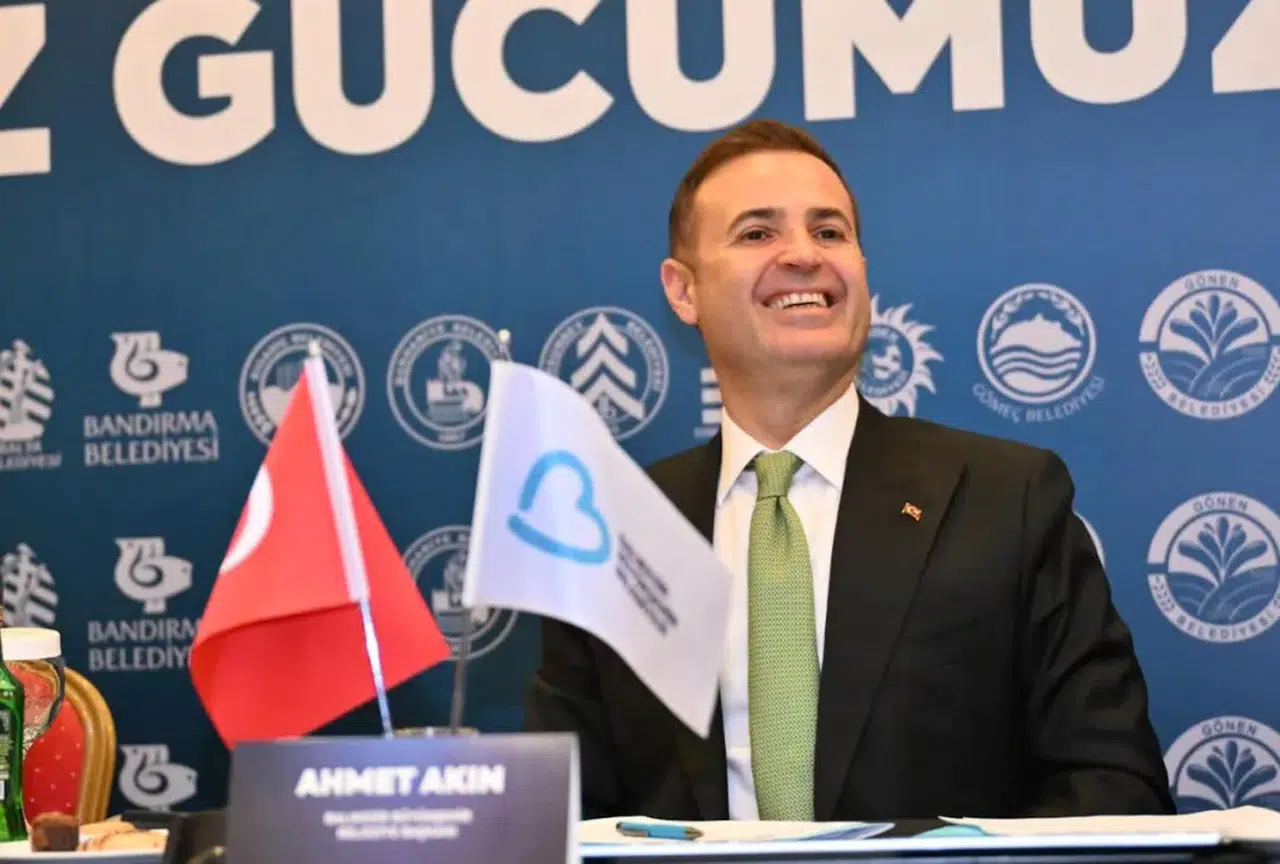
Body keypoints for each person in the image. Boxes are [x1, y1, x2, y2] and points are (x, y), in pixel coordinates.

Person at [525, 118, 1174, 822]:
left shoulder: (1008, 499)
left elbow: (1112, 785)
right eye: (757, 233)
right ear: (683, 292)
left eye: (829, 231)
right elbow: (562, 815)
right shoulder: (617, 531)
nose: (804, 255)